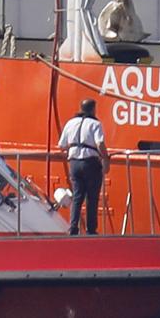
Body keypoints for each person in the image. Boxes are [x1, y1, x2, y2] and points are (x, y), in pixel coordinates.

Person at [57, 99, 107, 235]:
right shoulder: (95, 124)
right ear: (93, 109)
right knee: (92, 197)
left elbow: (61, 145)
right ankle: (91, 230)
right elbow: (100, 143)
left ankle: (73, 227)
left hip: (74, 163)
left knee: (78, 196)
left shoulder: (70, 123)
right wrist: (106, 159)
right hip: (90, 162)